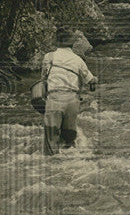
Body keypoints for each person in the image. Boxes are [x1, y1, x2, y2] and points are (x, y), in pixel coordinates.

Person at [41, 27, 97, 155]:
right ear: (73, 43)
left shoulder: (48, 57)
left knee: (51, 140)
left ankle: (51, 165)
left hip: (54, 98)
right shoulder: (78, 60)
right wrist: (95, 81)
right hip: (72, 101)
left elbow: (43, 80)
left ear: (56, 40)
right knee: (69, 140)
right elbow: (90, 80)